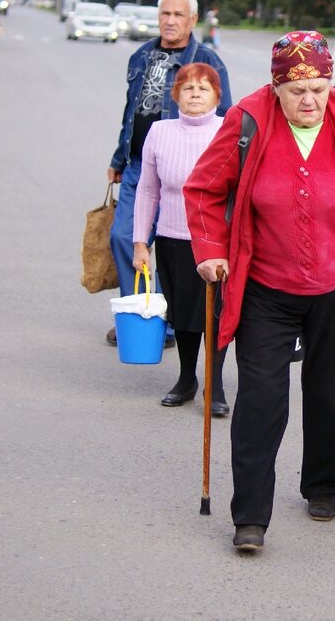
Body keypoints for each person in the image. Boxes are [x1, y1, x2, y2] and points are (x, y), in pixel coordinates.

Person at [184, 30, 335, 553]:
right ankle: (250, 518)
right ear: (276, 87)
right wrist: (209, 249)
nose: (309, 101)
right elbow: (201, 189)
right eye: (297, 91)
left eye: (319, 89)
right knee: (261, 400)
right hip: (266, 286)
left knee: (330, 393)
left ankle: (321, 485)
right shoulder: (248, 120)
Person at [106, 0, 232, 347]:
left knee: (178, 250)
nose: (170, 21)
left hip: (188, 173)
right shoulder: (140, 56)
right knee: (125, 237)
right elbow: (132, 113)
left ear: (193, 20)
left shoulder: (207, 60)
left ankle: (172, 319)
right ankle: (142, 312)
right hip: (140, 164)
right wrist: (118, 159)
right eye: (165, 14)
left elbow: (226, 119)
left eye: (178, 15)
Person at [132, 62, 230, 416]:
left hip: (216, 244)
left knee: (215, 316)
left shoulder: (228, 131)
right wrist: (140, 243)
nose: (195, 95)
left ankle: (215, 385)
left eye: (203, 89)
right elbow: (147, 190)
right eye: (188, 88)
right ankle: (186, 380)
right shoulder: (159, 131)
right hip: (173, 239)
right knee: (184, 316)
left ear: (217, 96)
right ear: (175, 95)